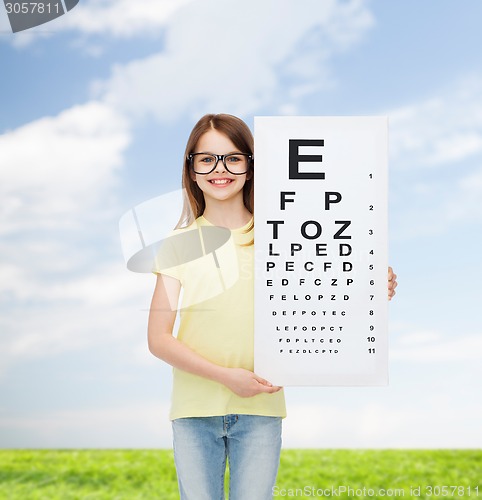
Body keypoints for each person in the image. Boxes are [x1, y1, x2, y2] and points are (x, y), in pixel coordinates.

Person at [147, 113, 398, 500]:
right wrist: (225, 376)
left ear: (250, 166)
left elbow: (322, 293)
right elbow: (159, 339)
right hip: (194, 409)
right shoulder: (178, 244)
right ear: (192, 169)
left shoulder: (281, 235)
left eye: (233, 158)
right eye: (207, 159)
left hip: (262, 408)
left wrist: (368, 287)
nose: (220, 169)